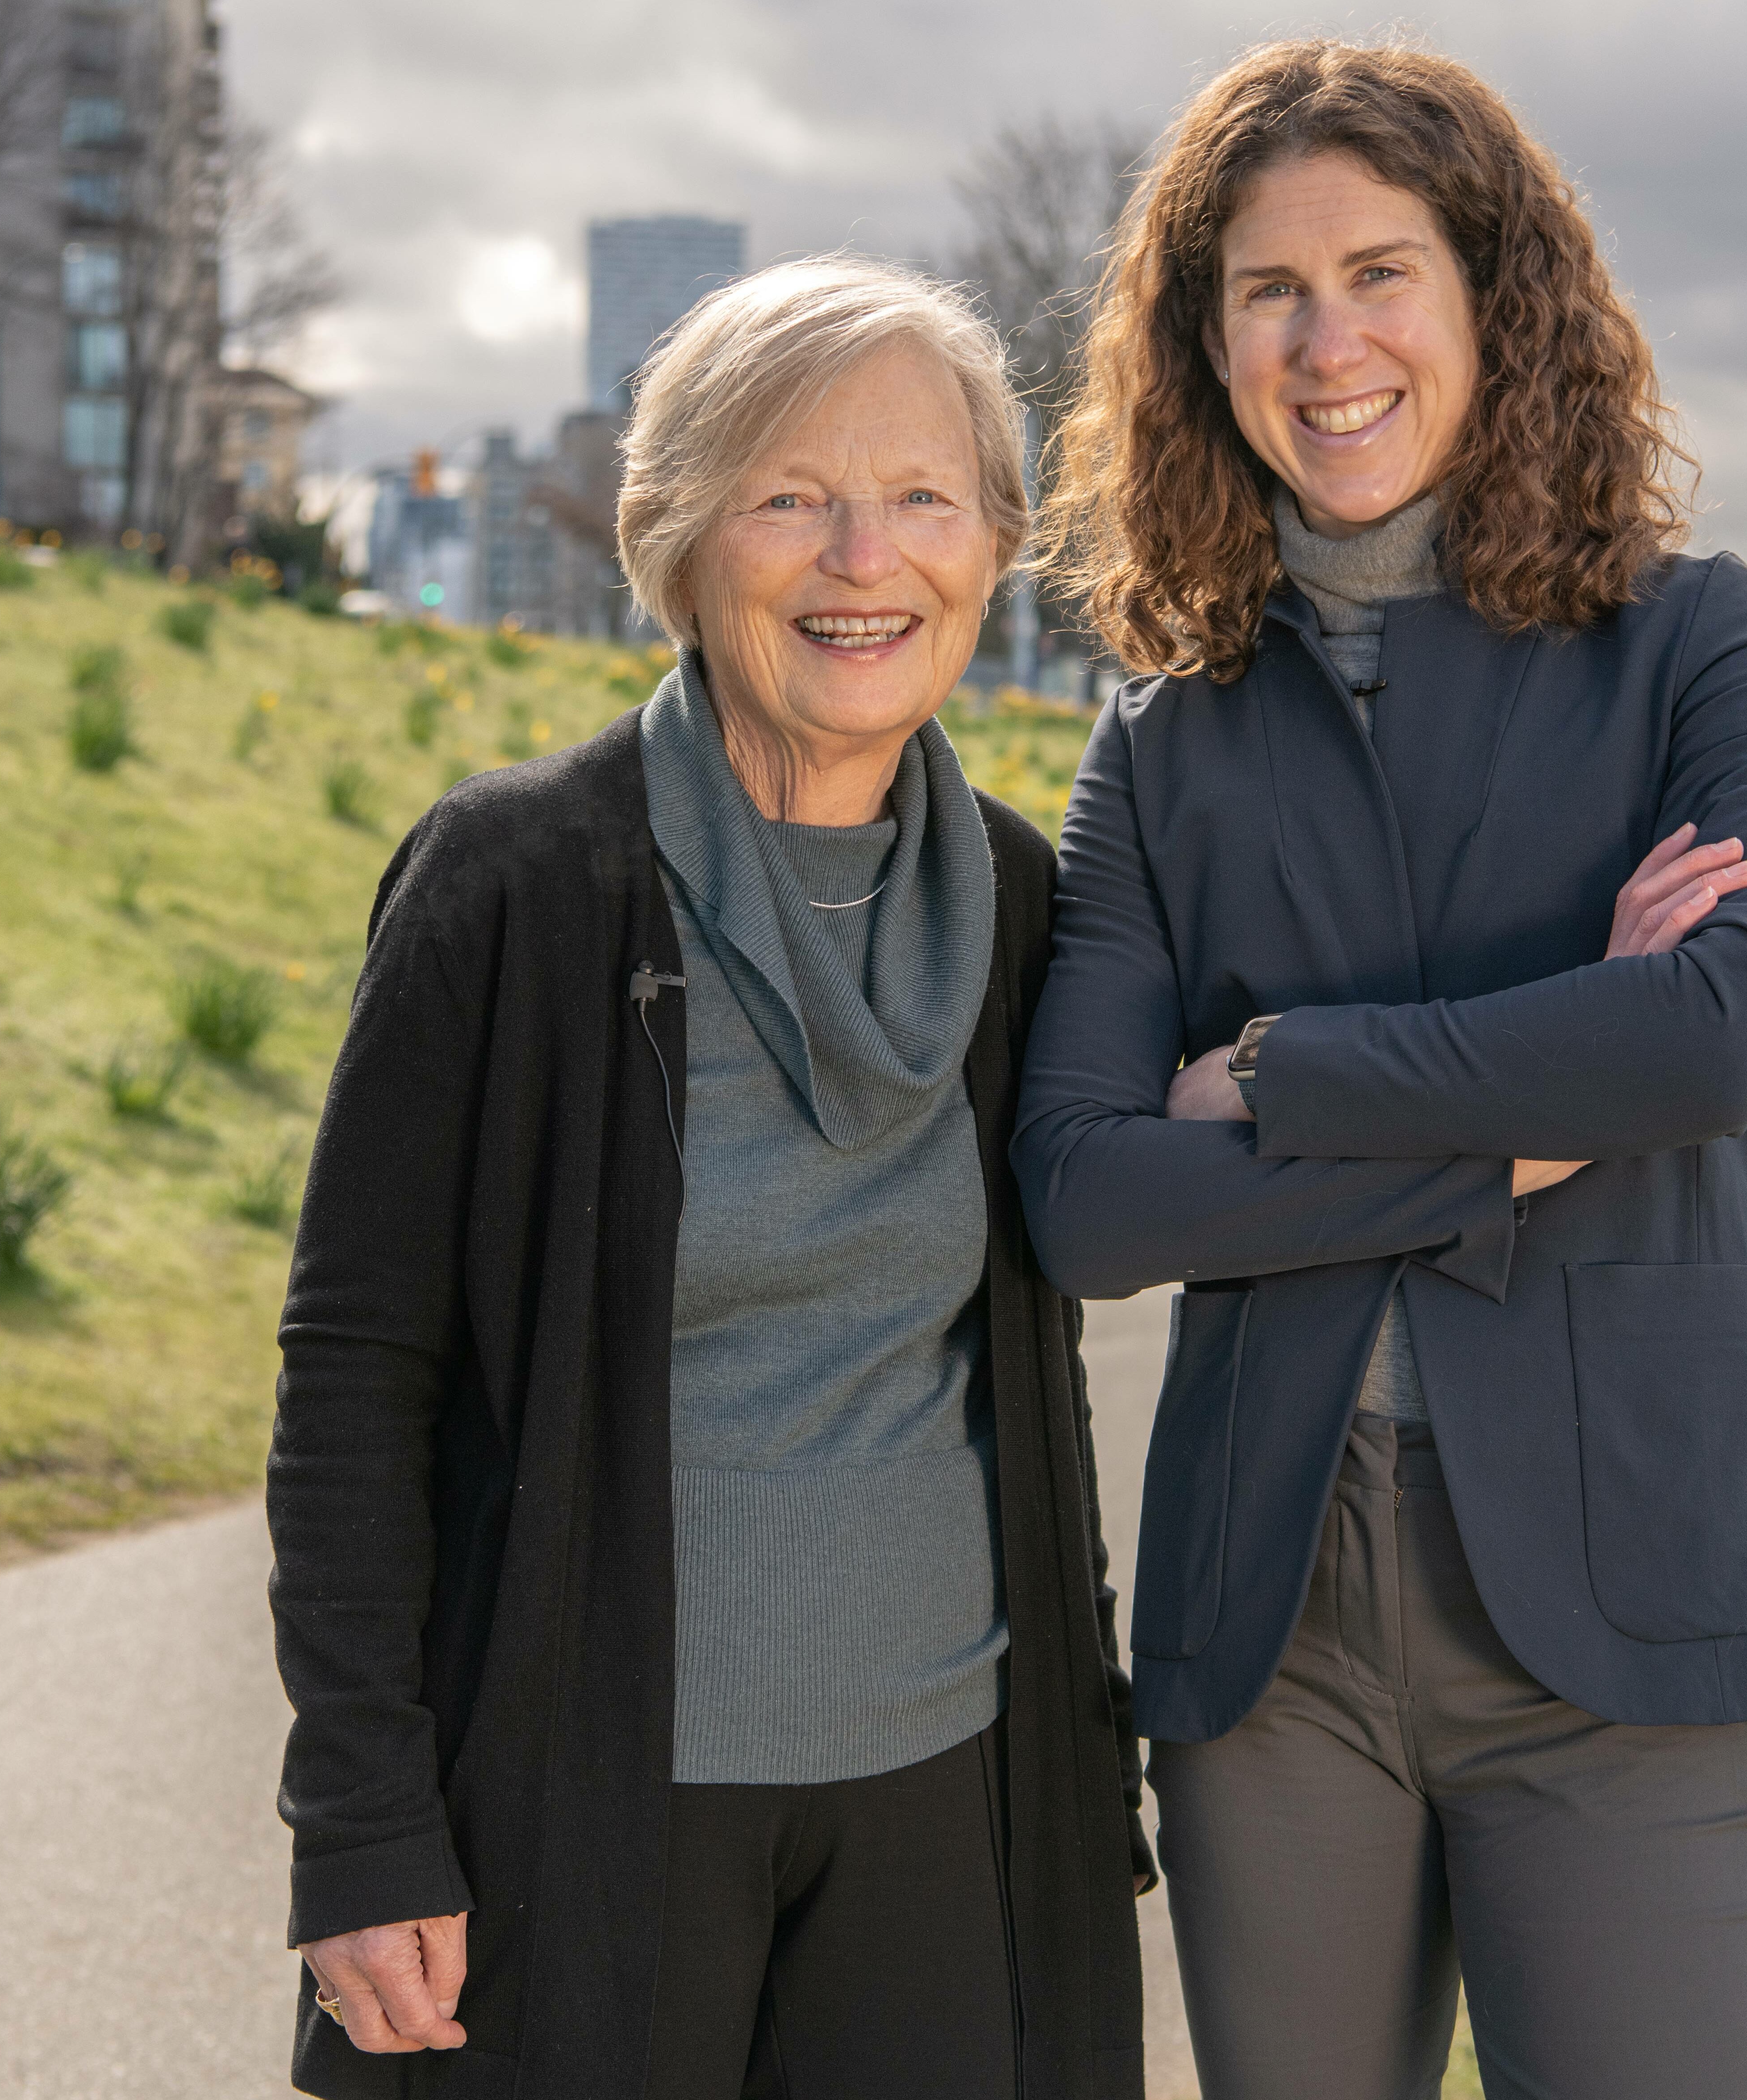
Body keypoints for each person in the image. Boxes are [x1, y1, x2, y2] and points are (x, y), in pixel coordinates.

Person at [1020, 39, 1747, 2100]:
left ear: (1491, 293)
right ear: (1200, 346)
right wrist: (1510, 1143)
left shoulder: (1702, 641)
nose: (1330, 342)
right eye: (1267, 292)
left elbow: (1714, 1030)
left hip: (1619, 1567)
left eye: (1381, 272)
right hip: (1268, 1612)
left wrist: (1285, 1067)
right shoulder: (1162, 734)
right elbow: (1089, 1195)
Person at [267, 257, 1147, 2100]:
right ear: (674, 537)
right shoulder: (511, 884)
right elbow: (355, 1373)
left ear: (992, 544)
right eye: (787, 496)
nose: (862, 556)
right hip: (580, 1810)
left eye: (920, 496)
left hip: (946, 1801)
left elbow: (1044, 1335)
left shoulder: (1018, 899)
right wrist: (360, 1818)